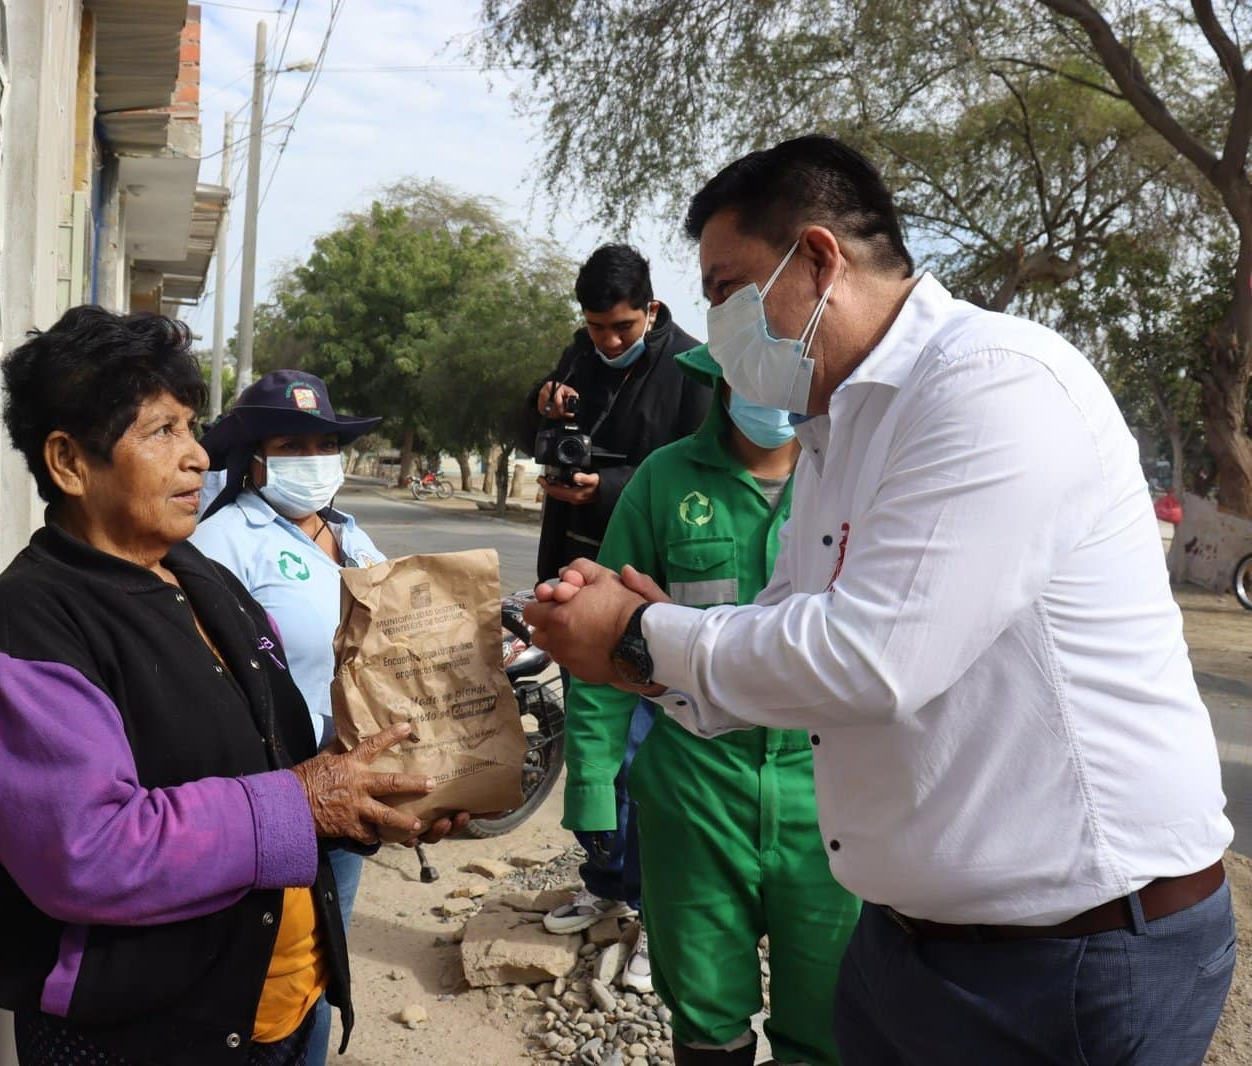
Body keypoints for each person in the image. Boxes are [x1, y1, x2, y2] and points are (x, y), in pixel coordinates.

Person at [526, 136, 1236, 1065]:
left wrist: (641, 634)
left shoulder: (992, 386)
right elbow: (784, 626)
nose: (714, 322)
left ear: (818, 259)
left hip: (1077, 957)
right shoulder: (839, 428)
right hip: (911, 944)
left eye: (726, 287)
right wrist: (644, 644)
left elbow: (870, 659)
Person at [0, 307, 467, 1066]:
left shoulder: (202, 577)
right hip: (144, 1038)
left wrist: (378, 799)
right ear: (67, 461)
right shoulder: (27, 626)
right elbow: (87, 851)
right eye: (162, 432)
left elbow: (284, 753)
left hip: (281, 1007)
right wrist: (305, 802)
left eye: (192, 428)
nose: (197, 457)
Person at [565, 343, 859, 1066]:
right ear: (721, 379)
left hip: (829, 802)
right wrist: (594, 784)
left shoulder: (851, 482)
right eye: (750, 373)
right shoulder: (664, 481)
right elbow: (606, 638)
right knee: (703, 1012)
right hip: (695, 797)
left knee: (829, 1015)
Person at [191, 370, 387, 1065]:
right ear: (256, 457)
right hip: (277, 803)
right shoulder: (223, 545)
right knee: (261, 993)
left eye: (323, 444)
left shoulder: (352, 536)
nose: (314, 459)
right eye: (292, 444)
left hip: (353, 798)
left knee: (323, 975)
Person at [524, 243, 711, 974]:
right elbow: (543, 441)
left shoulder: (693, 368)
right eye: (596, 326)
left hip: (646, 593)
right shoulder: (576, 358)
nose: (607, 341)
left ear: (653, 310)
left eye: (622, 328)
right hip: (573, 583)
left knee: (646, 760)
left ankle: (650, 909)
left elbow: (691, 466)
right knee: (595, 757)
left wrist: (600, 492)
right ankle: (605, 885)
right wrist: (541, 408)